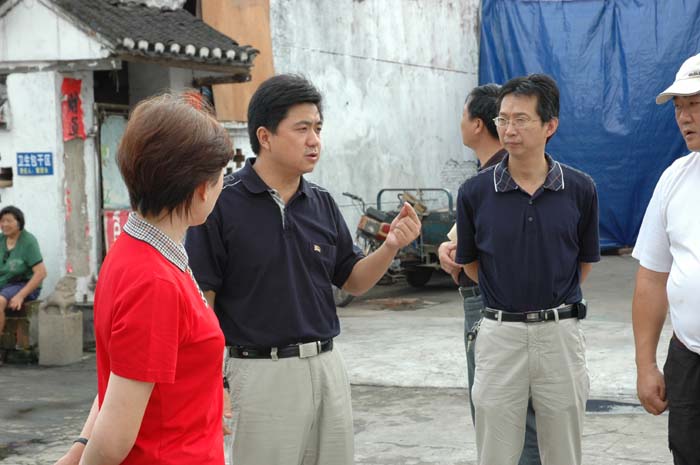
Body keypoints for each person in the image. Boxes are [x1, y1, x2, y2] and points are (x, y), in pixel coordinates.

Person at [186, 74, 421, 465]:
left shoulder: (322, 203)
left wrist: (390, 245)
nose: (314, 140)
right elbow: (202, 300)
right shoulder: (222, 202)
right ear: (265, 136)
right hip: (259, 373)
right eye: (302, 129)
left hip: (327, 367)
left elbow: (353, 280)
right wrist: (213, 382)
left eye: (318, 128)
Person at [53, 93, 232, 465]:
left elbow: (120, 379)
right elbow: (113, 440)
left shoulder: (132, 251)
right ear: (201, 188)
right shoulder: (155, 280)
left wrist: (77, 449)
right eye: (220, 178)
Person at [455, 74, 599, 465]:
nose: (509, 129)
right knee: (496, 451)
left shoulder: (580, 189)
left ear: (550, 125)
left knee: (563, 451)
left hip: (560, 336)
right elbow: (471, 264)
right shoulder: (474, 193)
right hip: (500, 335)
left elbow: (583, 262)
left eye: (521, 119)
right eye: (503, 119)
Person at [437, 84, 541, 465]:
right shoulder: (488, 178)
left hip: (491, 305)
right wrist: (451, 249)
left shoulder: (500, 177)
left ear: (478, 124)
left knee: (501, 416)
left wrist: (459, 257)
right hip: (491, 301)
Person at [632, 52, 700, 465]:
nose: (684, 117)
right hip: (689, 359)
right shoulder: (675, 178)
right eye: (679, 107)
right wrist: (645, 365)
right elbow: (651, 278)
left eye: (695, 104)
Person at [0, 205, 47, 359]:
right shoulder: (1, 240)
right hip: (4, 282)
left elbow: (41, 273)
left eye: (9, 221)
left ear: (19, 222)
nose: (4, 224)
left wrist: (20, 296)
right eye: (2, 221)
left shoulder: (28, 242)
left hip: (23, 284)